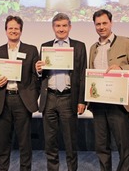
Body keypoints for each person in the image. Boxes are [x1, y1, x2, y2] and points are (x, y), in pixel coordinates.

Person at [88, 9, 129, 171]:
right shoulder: (93, 47)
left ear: (111, 23)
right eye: (98, 24)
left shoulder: (126, 42)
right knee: (101, 145)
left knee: (122, 144)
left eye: (104, 23)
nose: (101, 27)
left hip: (118, 103)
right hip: (98, 103)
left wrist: (121, 68)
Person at [35, 13, 87, 171]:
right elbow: (41, 75)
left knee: (71, 141)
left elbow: (82, 75)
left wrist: (81, 100)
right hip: (49, 97)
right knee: (50, 141)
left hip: (68, 98)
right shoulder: (45, 46)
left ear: (70, 27)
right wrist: (38, 70)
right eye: (58, 26)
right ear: (53, 28)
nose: (61, 29)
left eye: (64, 25)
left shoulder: (79, 46)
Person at [0, 15, 39, 171]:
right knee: (3, 143)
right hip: (4, 100)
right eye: (10, 28)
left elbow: (36, 76)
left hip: (22, 101)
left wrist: (31, 96)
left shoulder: (30, 50)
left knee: (25, 143)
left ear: (21, 31)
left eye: (16, 28)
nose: (13, 31)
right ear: (5, 30)